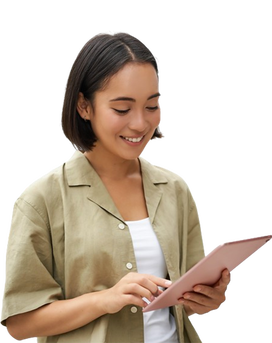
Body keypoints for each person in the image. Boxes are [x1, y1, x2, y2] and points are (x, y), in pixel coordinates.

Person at [0, 28, 231, 343]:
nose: (140, 123)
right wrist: (105, 299)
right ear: (84, 106)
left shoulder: (176, 187)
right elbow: (19, 324)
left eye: (152, 106)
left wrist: (211, 299)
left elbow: (192, 304)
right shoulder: (40, 198)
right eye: (122, 109)